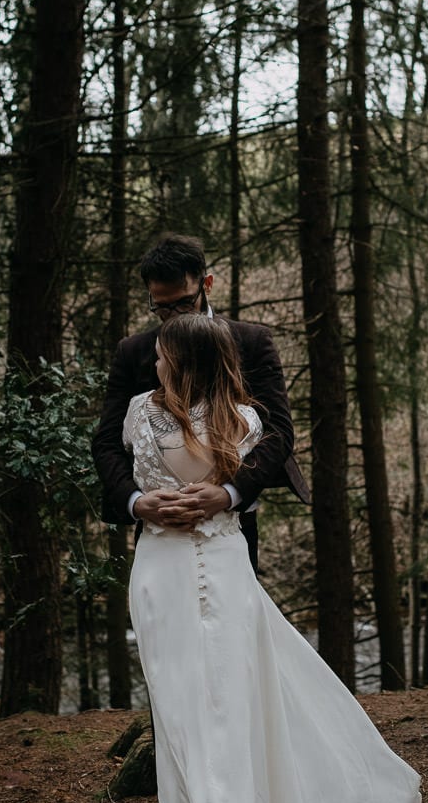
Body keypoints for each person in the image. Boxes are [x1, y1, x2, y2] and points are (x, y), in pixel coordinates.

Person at [124, 313, 421, 803]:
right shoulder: (242, 423)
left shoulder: (156, 417)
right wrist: (163, 501)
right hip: (199, 572)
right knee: (211, 718)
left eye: (164, 356)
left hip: (181, 571)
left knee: (202, 719)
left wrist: (188, 499)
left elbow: (186, 479)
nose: (154, 364)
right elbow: (191, 480)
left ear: (183, 363)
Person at [92, 233, 310, 573]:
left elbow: (278, 431)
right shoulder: (134, 352)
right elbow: (107, 441)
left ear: (205, 283)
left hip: (231, 523)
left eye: (182, 303)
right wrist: (137, 502)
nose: (172, 315)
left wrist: (229, 493)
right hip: (158, 528)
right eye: (161, 306)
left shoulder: (251, 342)